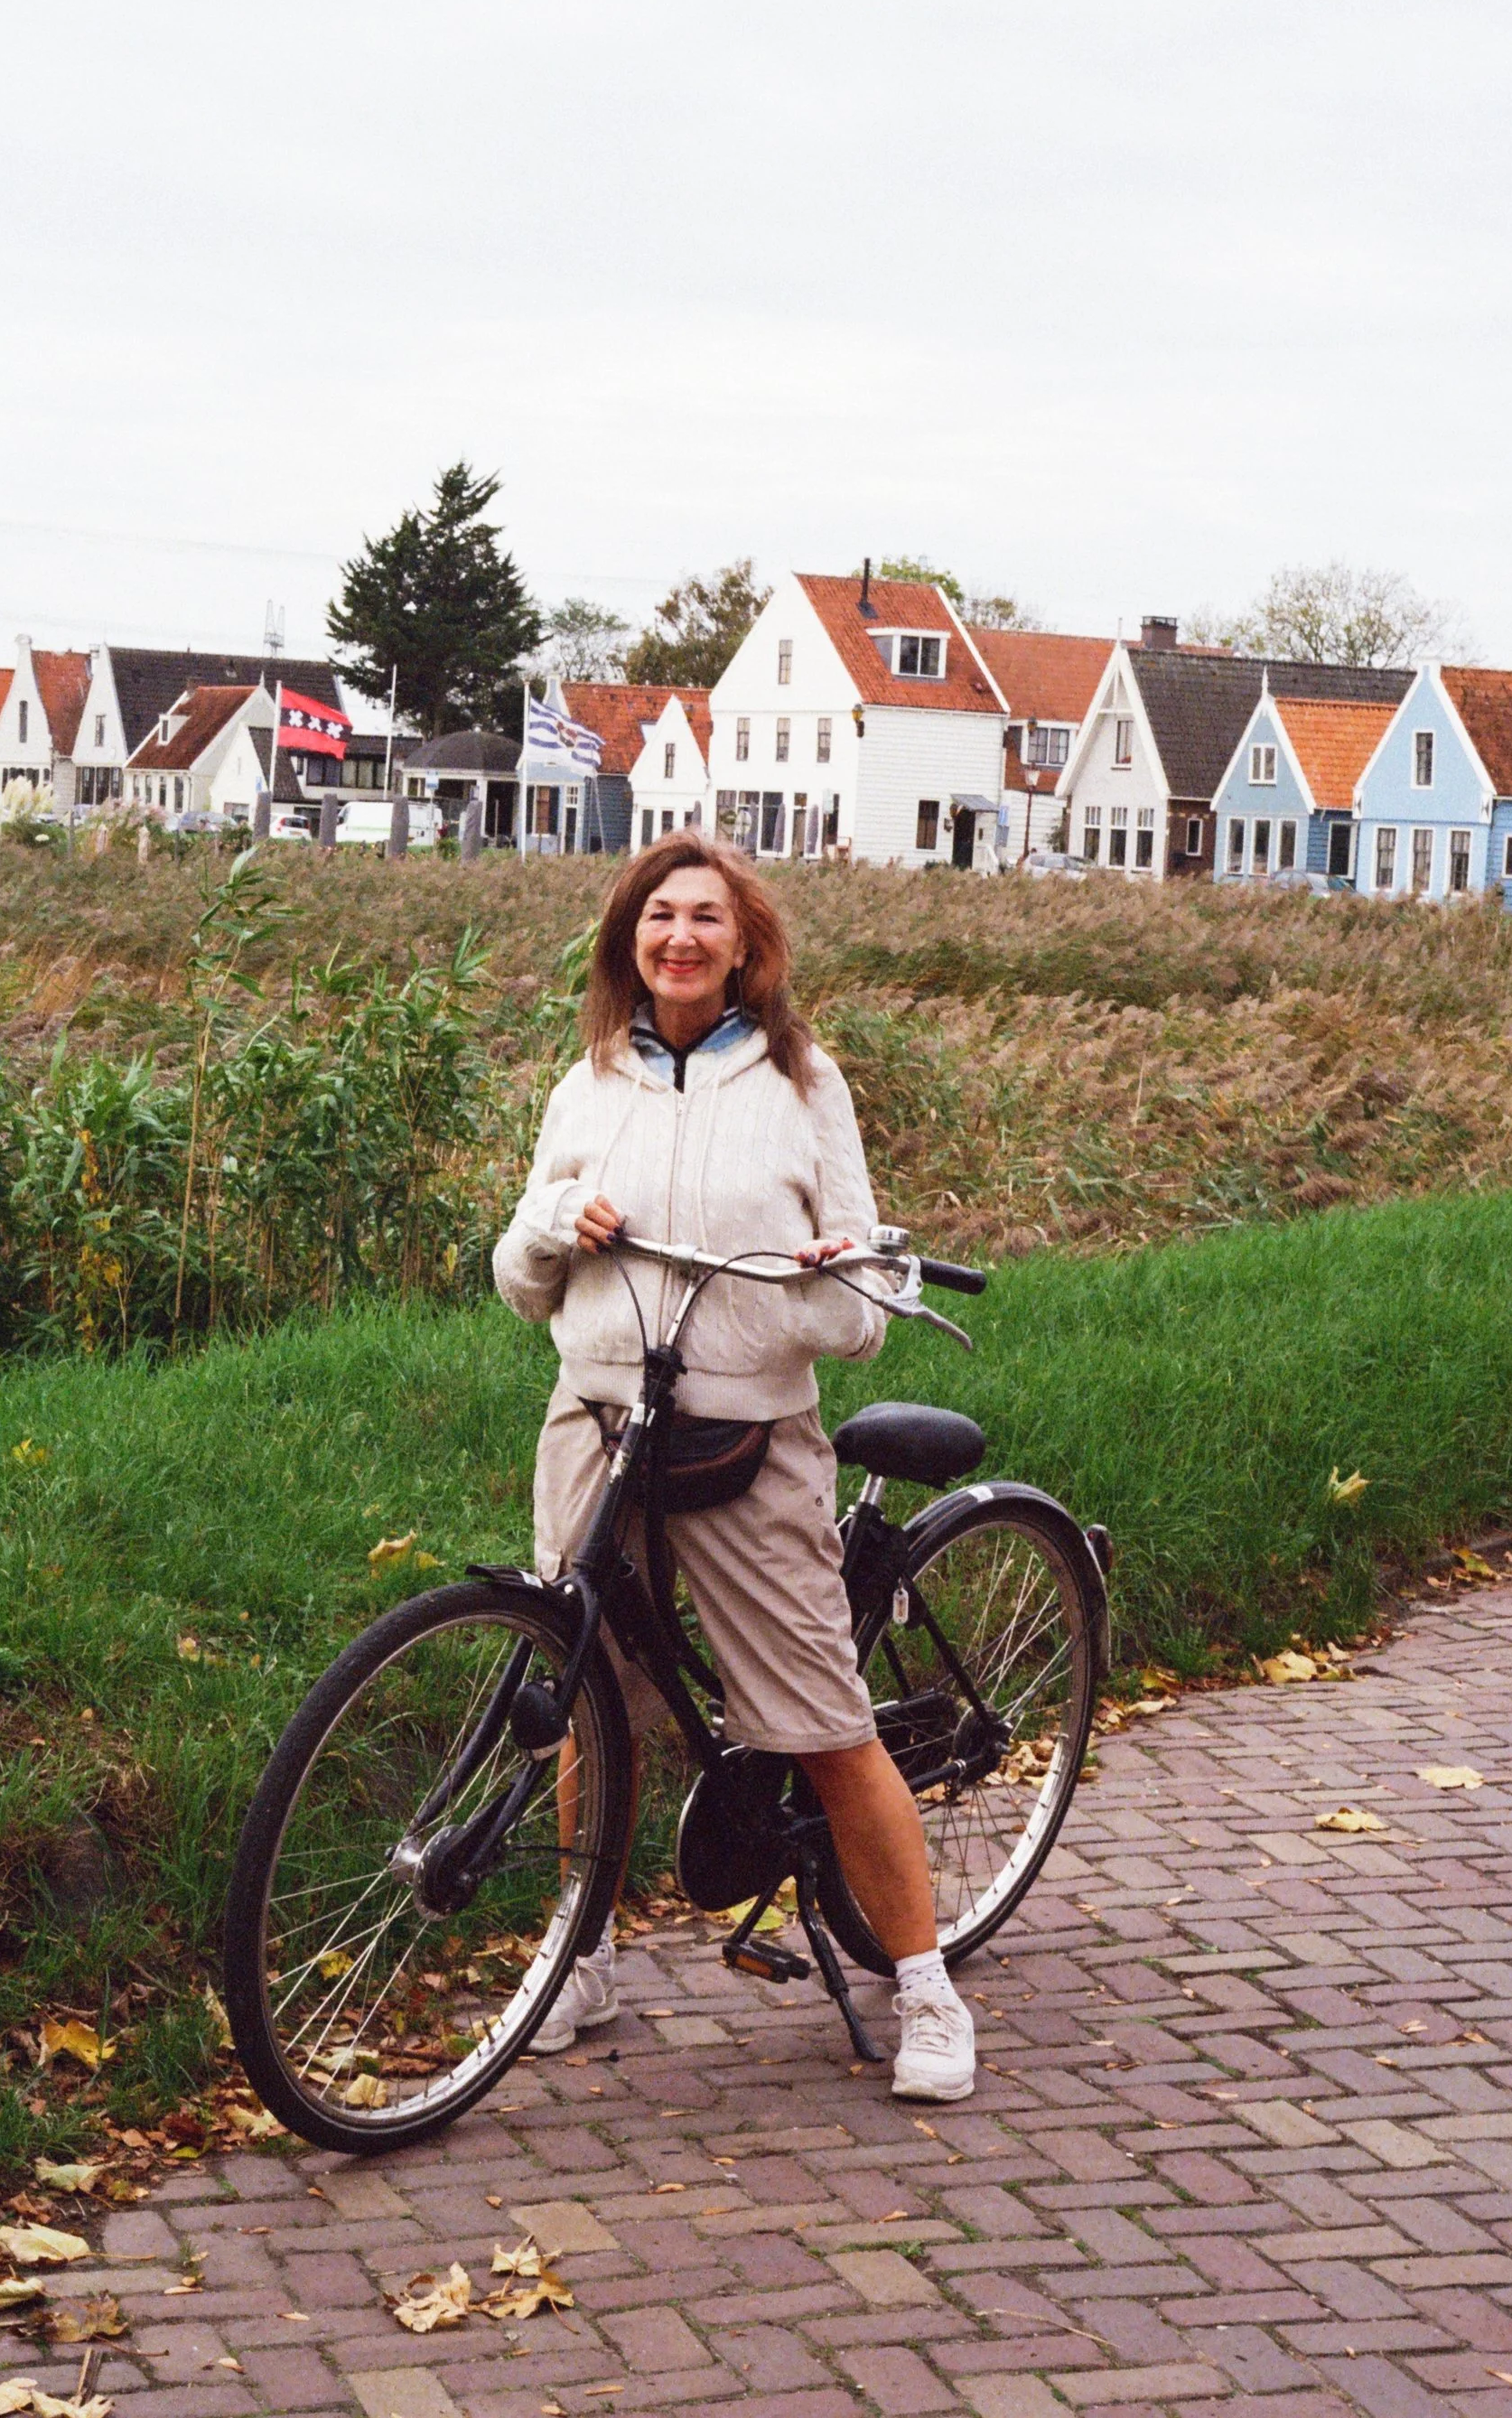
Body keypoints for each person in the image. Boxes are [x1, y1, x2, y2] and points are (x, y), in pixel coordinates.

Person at [491, 829, 976, 2101]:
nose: (681, 940)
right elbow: (517, 1280)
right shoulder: (588, 1082)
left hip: (746, 1439)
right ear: (628, 942)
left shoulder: (805, 1084)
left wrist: (830, 1275)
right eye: (659, 919)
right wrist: (550, 1222)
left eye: (706, 919)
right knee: (589, 1703)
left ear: (748, 947)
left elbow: (863, 1308)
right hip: (597, 1423)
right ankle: (579, 1955)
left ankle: (924, 1987)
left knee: (819, 1717)